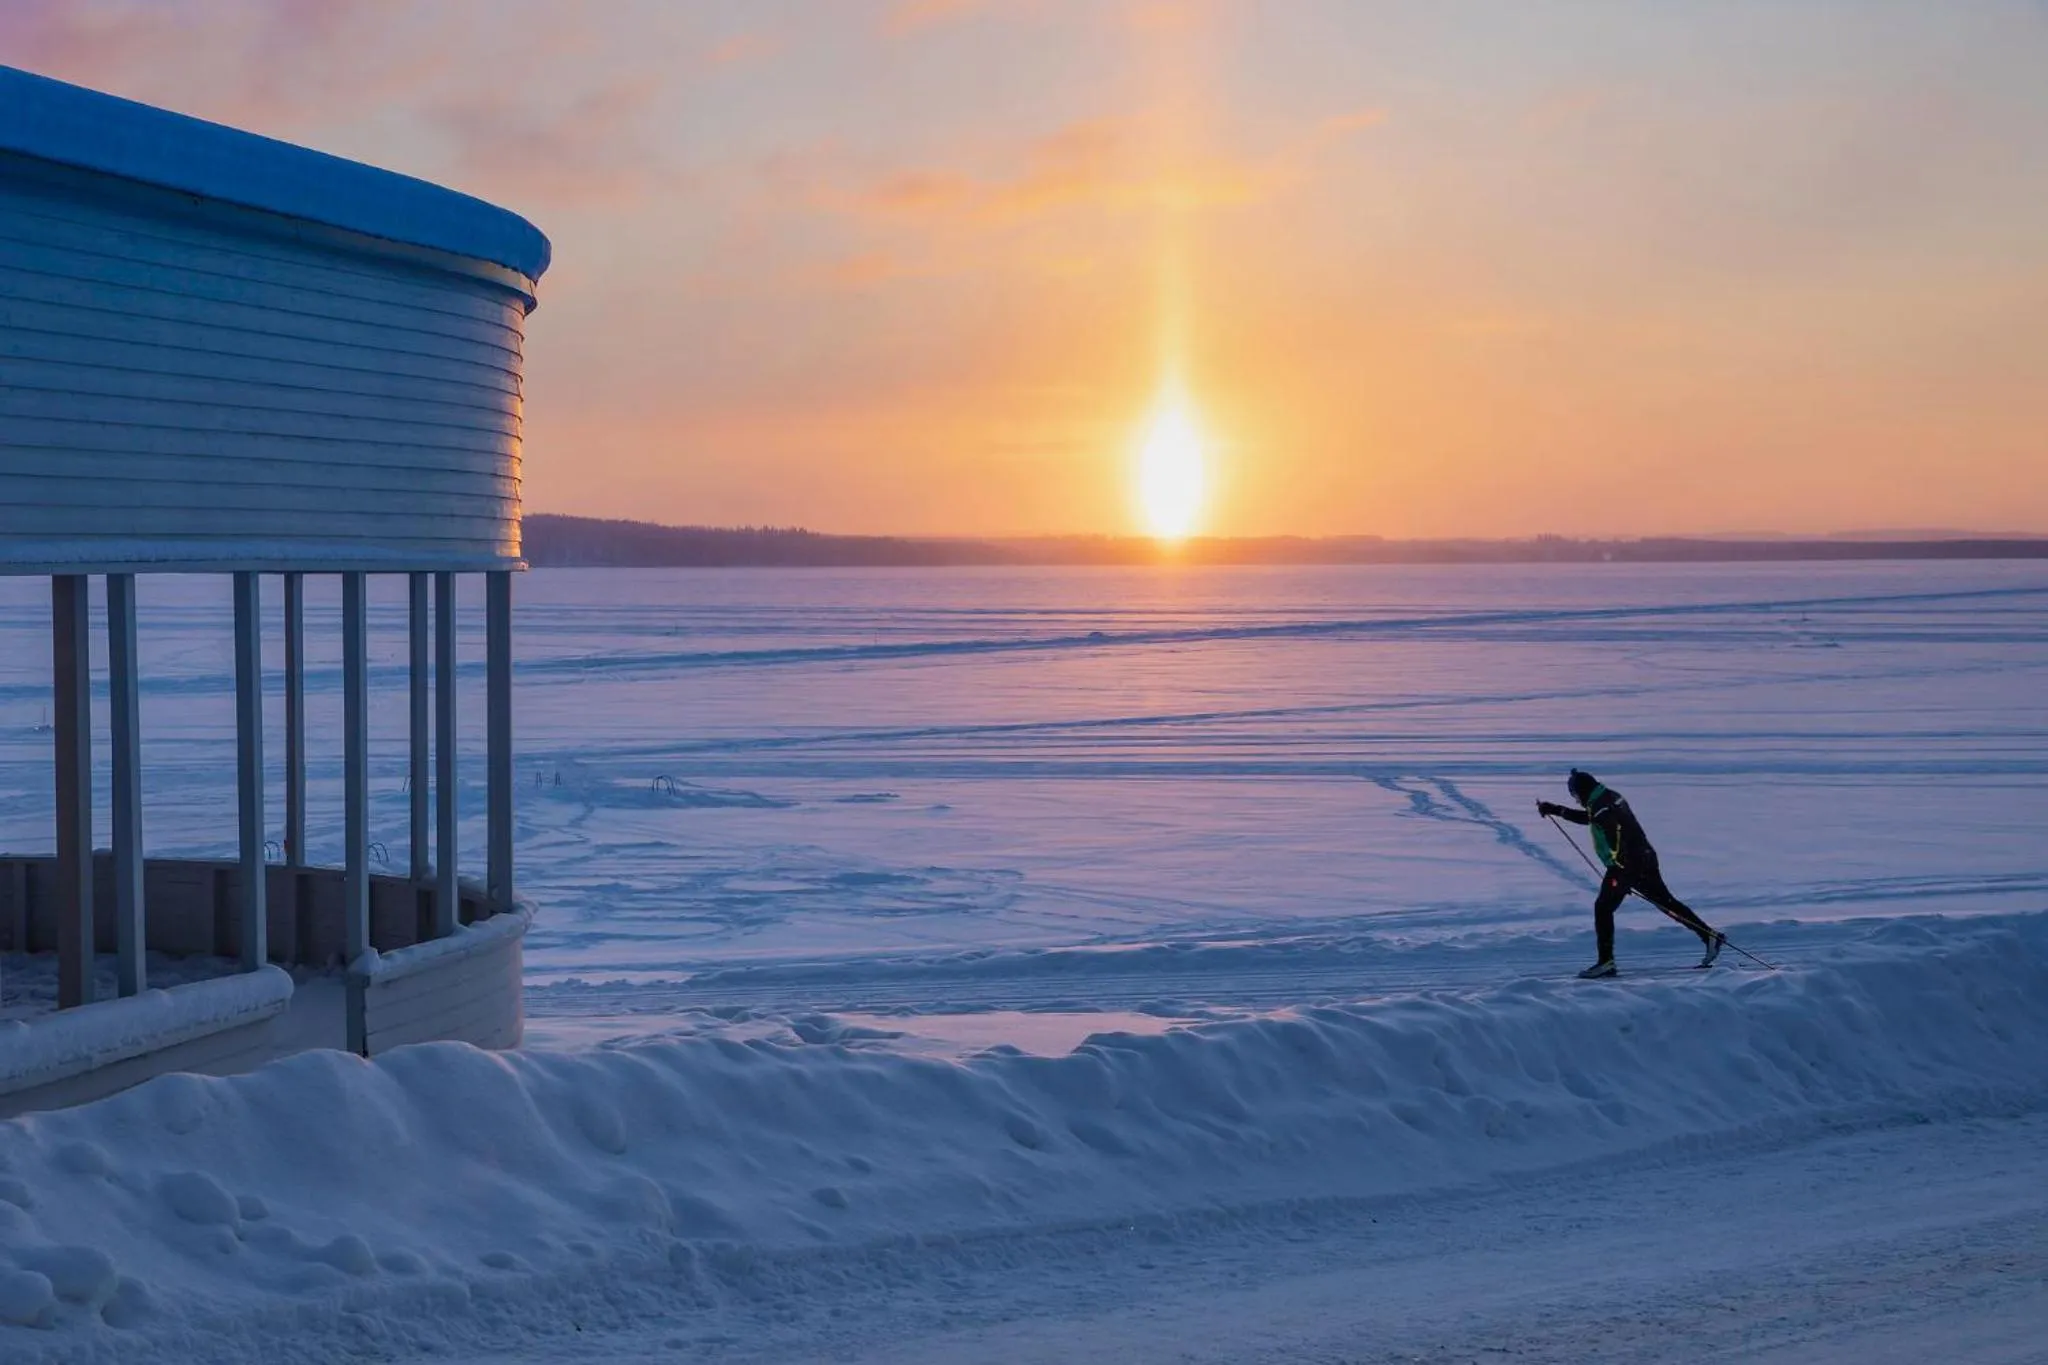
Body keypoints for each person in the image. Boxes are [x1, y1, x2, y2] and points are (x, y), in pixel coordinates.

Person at [1538, 769, 1723, 978]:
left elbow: (1613, 832)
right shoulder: (1606, 797)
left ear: (1582, 790)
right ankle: (1709, 936)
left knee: (1603, 908)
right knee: (1666, 903)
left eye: (1574, 794)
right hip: (1644, 859)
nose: (1576, 799)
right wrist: (1556, 810)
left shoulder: (1601, 806)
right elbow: (1592, 818)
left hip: (1629, 864)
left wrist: (1620, 870)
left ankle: (1606, 962)